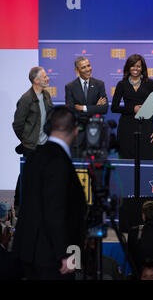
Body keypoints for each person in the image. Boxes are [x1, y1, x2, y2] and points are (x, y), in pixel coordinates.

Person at [12, 106, 87, 280]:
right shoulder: (59, 161)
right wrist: (65, 254)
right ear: (76, 130)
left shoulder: (35, 155)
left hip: (30, 252)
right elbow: (55, 211)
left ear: (49, 127)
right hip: (50, 257)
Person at [12, 67, 53, 212]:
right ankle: (18, 204)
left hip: (46, 143)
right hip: (31, 145)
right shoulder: (26, 99)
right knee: (27, 174)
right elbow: (17, 124)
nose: (48, 78)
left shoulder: (47, 95)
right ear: (36, 80)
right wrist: (25, 139)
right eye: (45, 76)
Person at [111, 54, 153, 160]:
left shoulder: (150, 83)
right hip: (126, 129)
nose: (135, 69)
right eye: (132, 66)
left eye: (138, 66)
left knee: (147, 161)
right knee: (126, 162)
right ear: (128, 67)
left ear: (142, 68)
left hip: (146, 127)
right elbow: (114, 107)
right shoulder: (122, 84)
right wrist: (132, 109)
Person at [65, 56, 108, 158]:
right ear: (77, 70)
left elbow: (104, 109)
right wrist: (95, 107)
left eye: (88, 65)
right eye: (83, 67)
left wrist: (84, 108)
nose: (88, 69)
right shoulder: (70, 87)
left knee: (95, 171)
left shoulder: (99, 84)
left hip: (96, 134)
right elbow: (72, 111)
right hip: (78, 136)